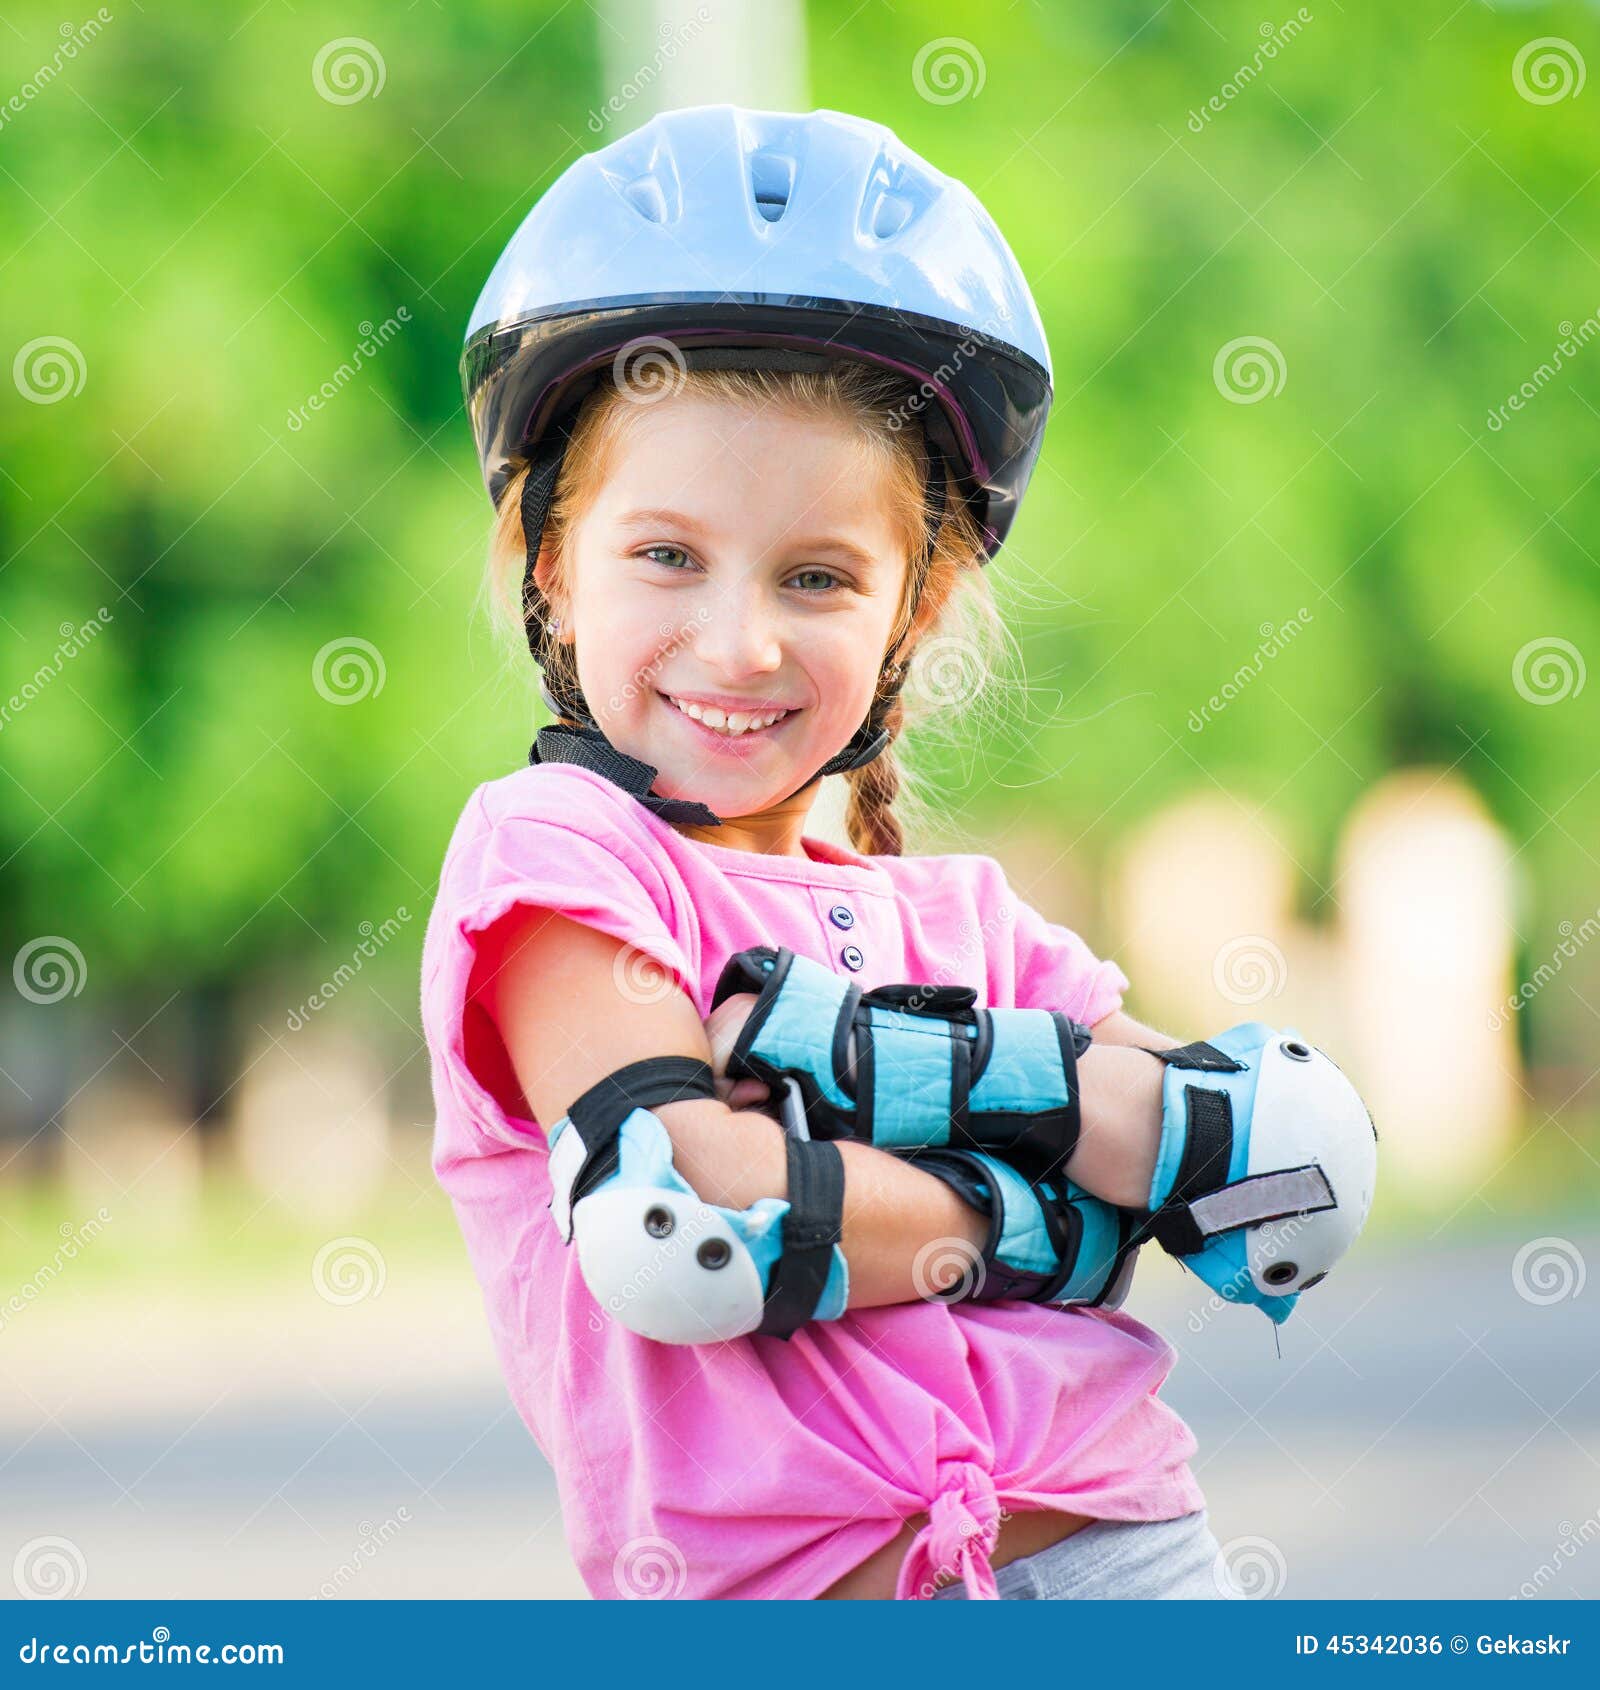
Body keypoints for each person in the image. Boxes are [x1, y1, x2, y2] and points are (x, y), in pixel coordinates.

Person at [422, 104, 1375, 1601]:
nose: (737, 639)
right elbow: (691, 1218)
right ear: (553, 564)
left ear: (912, 614)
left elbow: (1287, 1175)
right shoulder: (560, 857)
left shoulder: (969, 912)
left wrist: (835, 1074)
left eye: (817, 575)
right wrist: (1055, 1198)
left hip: (1131, 1554)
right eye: (666, 554)